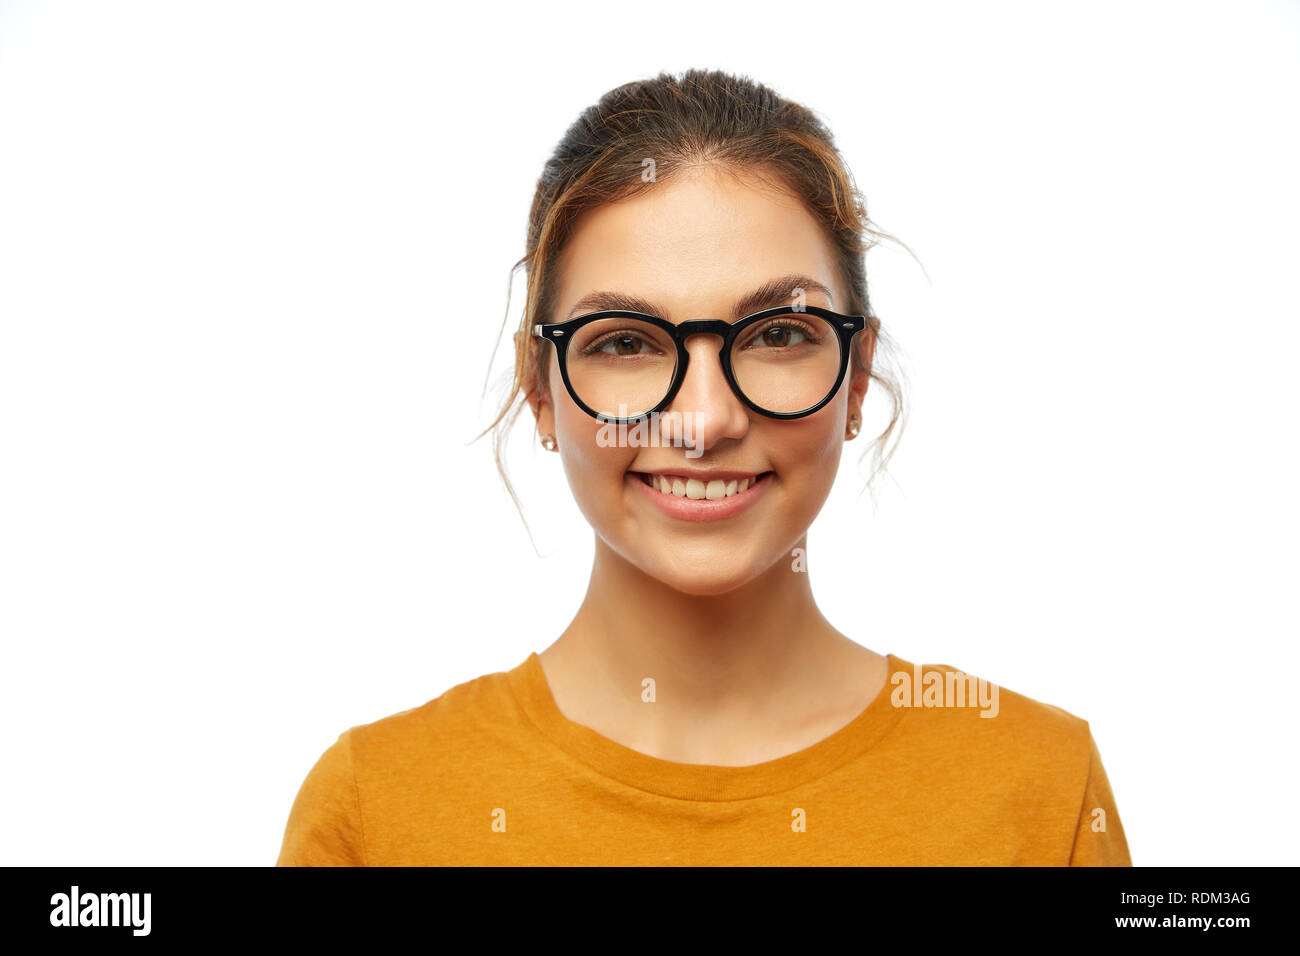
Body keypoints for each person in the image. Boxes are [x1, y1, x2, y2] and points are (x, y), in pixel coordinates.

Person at [276, 68, 1131, 866]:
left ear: (858, 374)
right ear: (539, 385)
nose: (705, 420)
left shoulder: (1040, 790)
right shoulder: (377, 812)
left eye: (778, 335)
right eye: (625, 343)